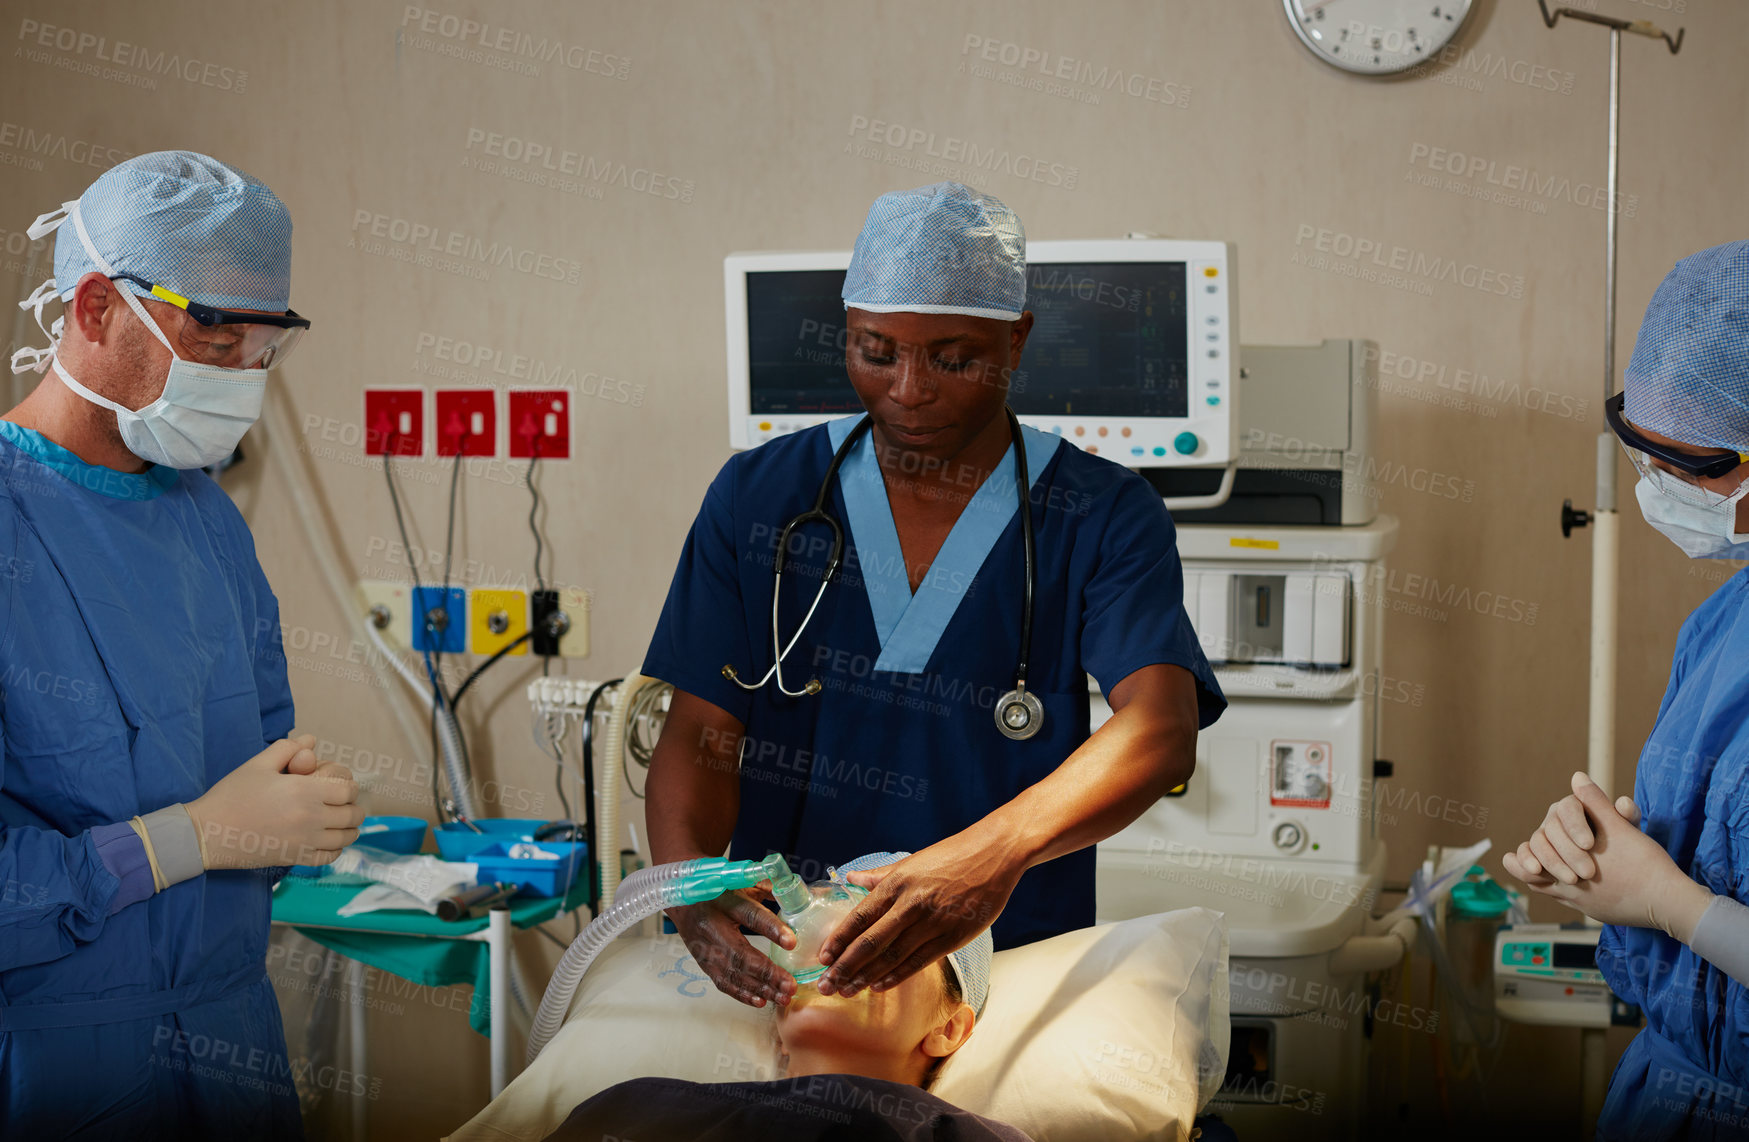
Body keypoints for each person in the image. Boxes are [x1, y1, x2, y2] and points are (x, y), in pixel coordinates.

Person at [642, 181, 1224, 1012]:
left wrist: (989, 858)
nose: (909, 389)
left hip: (1008, 962)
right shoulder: (760, 496)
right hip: (795, 965)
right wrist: (690, 887)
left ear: (1015, 340)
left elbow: (1159, 730)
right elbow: (701, 731)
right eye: (875, 351)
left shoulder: (1097, 510)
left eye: (951, 359)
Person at [0, 151, 362, 1139]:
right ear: (93, 309)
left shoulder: (207, 524)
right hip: (53, 1068)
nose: (243, 370)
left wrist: (293, 809)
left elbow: (257, 750)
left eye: (264, 340)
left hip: (234, 1041)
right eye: (212, 329)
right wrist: (185, 839)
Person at [1503, 241, 1749, 1140]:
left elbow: (1691, 898)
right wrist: (1603, 852)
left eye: (1691, 465)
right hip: (1667, 1087)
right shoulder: (1723, 624)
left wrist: (1670, 906)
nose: (1660, 486)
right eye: (1641, 450)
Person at [548, 911, 1028, 1140]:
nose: (841, 942)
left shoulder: (968, 1138)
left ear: (949, 1030)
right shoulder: (636, 1105)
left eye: (894, 938)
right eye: (827, 929)